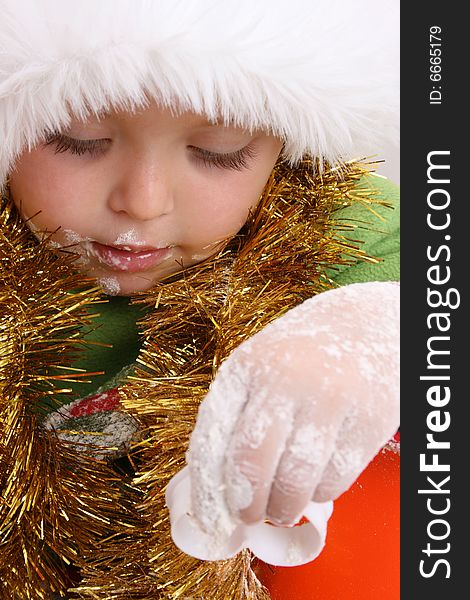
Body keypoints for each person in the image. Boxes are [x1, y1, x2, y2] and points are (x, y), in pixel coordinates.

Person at [0, 0, 399, 598]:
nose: (143, 201)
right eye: (79, 139)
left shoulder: (336, 221)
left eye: (218, 150)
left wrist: (380, 325)